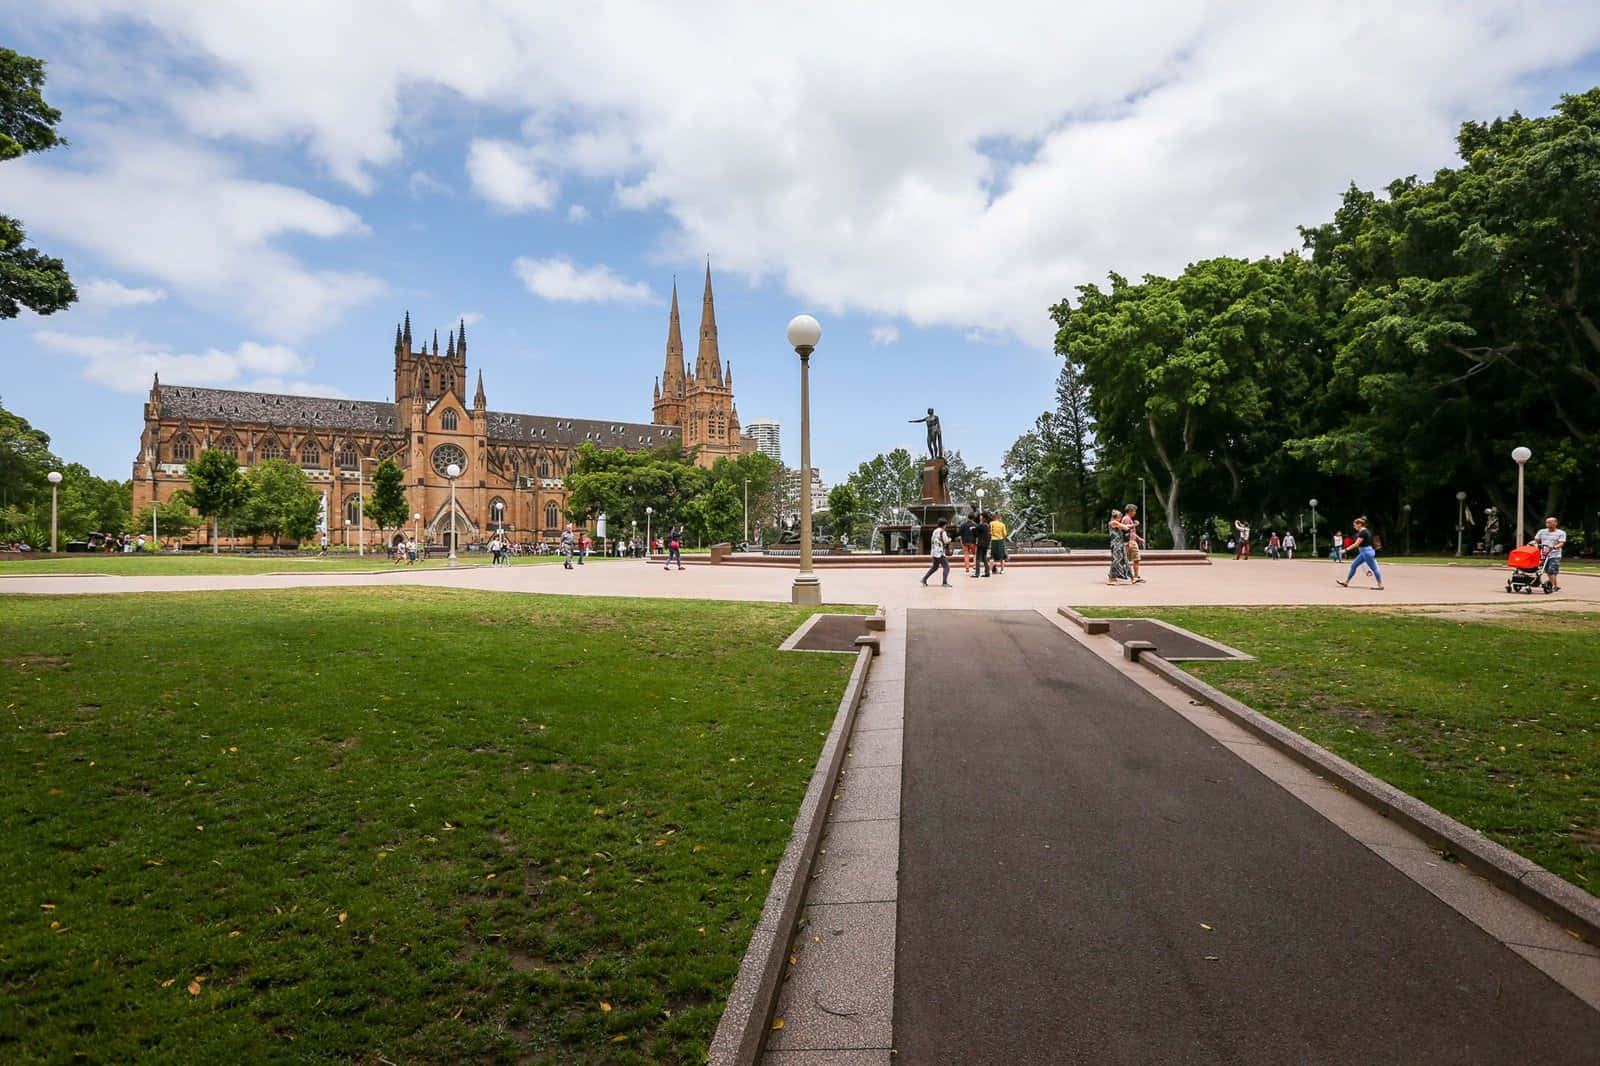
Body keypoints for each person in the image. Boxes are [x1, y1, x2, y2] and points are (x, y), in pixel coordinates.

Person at [1336, 516, 1384, 590]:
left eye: (1355, 525)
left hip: (1367, 552)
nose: (1354, 526)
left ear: (1359, 524)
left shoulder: (1363, 532)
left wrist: (1345, 550)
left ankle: (1380, 585)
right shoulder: (1365, 531)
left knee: (1374, 568)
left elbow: (1356, 544)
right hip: (1364, 552)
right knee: (1353, 566)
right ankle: (1346, 582)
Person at [1532, 516, 1566, 592]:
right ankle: (1538, 582)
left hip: (1554, 554)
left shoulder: (1561, 533)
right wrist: (1534, 545)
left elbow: (1561, 543)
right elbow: (1536, 540)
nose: (1548, 524)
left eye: (1550, 522)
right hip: (1543, 553)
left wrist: (1555, 547)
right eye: (1547, 522)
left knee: (1551, 570)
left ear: (1555, 523)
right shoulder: (1542, 531)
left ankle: (1554, 586)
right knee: (1541, 569)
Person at [921, 518, 952, 586]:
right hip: (940, 552)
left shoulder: (935, 531)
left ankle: (924, 579)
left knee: (934, 567)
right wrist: (950, 539)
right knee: (946, 567)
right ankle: (944, 582)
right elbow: (946, 541)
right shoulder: (943, 532)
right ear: (944, 525)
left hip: (934, 551)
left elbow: (932, 540)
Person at [1107, 508, 1132, 584]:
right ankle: (1111, 577)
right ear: (1116, 517)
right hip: (1116, 545)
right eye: (1120, 517)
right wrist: (1130, 526)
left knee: (1122, 559)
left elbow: (1125, 526)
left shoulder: (1116, 523)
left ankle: (1130, 576)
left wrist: (1131, 525)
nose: (1120, 519)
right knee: (1116, 560)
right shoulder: (1113, 522)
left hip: (1119, 544)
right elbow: (1125, 527)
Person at [1122, 504, 1146, 583]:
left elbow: (1132, 532)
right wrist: (1129, 542)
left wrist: (1139, 539)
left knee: (1129, 560)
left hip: (1131, 541)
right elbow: (1125, 530)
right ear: (1130, 511)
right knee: (1136, 559)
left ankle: (1135, 576)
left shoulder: (1129, 519)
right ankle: (1135, 577)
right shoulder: (1126, 519)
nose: (1135, 513)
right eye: (1134, 511)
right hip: (1130, 542)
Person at [972, 511, 991, 577]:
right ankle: (987, 572)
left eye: (981, 516)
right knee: (984, 558)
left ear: (983, 517)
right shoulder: (987, 525)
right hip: (986, 544)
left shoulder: (982, 525)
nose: (980, 517)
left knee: (977, 559)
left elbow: (975, 533)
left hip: (981, 544)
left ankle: (977, 573)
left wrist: (972, 529)